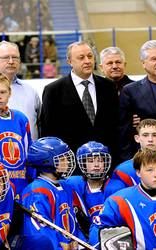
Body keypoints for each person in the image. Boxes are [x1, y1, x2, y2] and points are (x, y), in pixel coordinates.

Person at [40, 41, 119, 174]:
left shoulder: (109, 87)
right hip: (71, 168)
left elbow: (116, 126)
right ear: (70, 61)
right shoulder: (53, 91)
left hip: (106, 165)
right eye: (81, 58)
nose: (87, 61)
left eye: (90, 56)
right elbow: (49, 132)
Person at [21, 136, 86, 249]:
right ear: (46, 162)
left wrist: (81, 245)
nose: (66, 162)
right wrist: (57, 247)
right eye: (61, 159)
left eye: (66, 158)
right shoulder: (36, 192)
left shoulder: (65, 185)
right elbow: (39, 230)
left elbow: (73, 221)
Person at [66, 141, 111, 235]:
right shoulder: (72, 184)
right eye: (91, 161)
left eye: (100, 160)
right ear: (83, 163)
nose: (96, 165)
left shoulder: (115, 187)